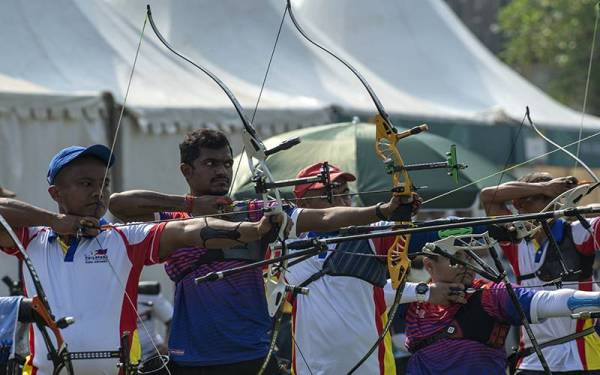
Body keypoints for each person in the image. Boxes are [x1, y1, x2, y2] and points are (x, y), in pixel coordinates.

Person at [108, 129, 449, 375]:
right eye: (211, 164)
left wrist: (383, 210)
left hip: (255, 353)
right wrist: (192, 204)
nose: (222, 171)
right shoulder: (172, 219)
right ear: (187, 171)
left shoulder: (256, 209)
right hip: (195, 355)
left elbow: (325, 216)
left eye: (226, 163)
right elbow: (119, 205)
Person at [0, 144, 284, 375]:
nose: (98, 192)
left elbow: (188, 230)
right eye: (86, 183)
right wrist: (54, 221)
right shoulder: (31, 239)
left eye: (104, 183)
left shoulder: (125, 238)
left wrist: (254, 230)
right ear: (55, 193)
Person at [281, 162, 471, 375]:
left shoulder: (371, 235)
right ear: (303, 203)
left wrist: (489, 227)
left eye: (346, 193)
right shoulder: (283, 247)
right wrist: (423, 292)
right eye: (331, 194)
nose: (343, 201)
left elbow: (434, 233)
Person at [403, 241, 600, 375]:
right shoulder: (412, 296)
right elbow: (377, 290)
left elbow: (546, 301)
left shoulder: (490, 295)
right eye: (456, 259)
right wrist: (424, 291)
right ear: (429, 266)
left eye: (471, 258)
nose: (467, 266)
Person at [481, 172, 600, 374]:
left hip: (583, 356)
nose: (552, 203)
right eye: (544, 199)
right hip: (533, 357)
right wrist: (544, 187)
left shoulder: (578, 232)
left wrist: (545, 191)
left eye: (554, 198)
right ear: (519, 204)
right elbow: (488, 196)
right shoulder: (516, 241)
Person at [136, 281, 173, 362]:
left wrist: (166, 345)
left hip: (152, 352)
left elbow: (172, 320)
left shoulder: (147, 292)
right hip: (121, 356)